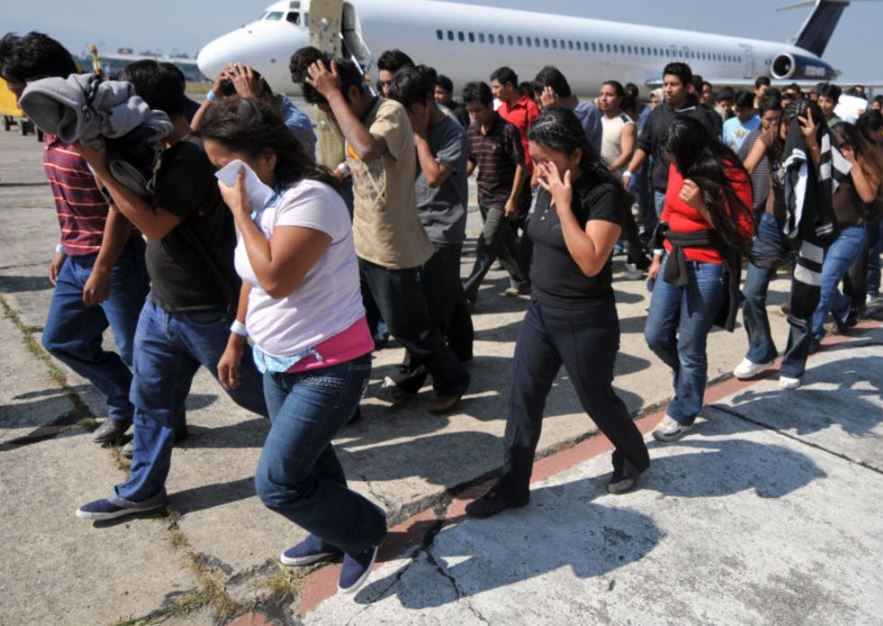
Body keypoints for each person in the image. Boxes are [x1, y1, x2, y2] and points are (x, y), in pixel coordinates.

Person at [198, 97, 386, 594]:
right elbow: (251, 276)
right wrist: (237, 337)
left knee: (278, 483)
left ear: (267, 157)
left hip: (329, 364)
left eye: (229, 165)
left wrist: (239, 212)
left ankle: (364, 532)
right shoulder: (266, 199)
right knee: (311, 458)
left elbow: (275, 278)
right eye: (215, 167)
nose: (224, 179)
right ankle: (331, 531)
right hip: (275, 359)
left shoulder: (312, 199)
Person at [75, 60, 268, 520]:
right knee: (151, 401)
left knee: (258, 395)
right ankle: (144, 489)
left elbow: (155, 224)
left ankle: (313, 425)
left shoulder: (191, 156)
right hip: (160, 305)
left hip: (206, 310)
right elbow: (127, 209)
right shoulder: (153, 147)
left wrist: (99, 167)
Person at [465, 108, 650, 519]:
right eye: (534, 157)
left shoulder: (603, 193)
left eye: (547, 158)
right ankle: (513, 486)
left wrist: (564, 205)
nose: (538, 166)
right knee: (522, 398)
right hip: (541, 312)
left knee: (596, 400)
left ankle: (634, 453)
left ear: (576, 155)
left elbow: (591, 262)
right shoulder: (544, 182)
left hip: (584, 319)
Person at [296, 52, 471, 413]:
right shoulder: (362, 116)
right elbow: (357, 156)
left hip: (391, 243)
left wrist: (332, 95)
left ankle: (452, 379)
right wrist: (337, 173)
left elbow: (368, 148)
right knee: (356, 321)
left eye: (335, 105)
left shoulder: (389, 112)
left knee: (407, 325)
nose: (333, 116)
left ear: (353, 95)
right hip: (361, 238)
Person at [0, 31, 150, 445]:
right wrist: (62, 247)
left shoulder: (91, 126)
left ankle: (162, 423)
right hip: (77, 253)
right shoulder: (54, 121)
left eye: (18, 89)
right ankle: (123, 402)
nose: (16, 100)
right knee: (62, 339)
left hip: (116, 257)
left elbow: (120, 203)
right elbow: (68, 195)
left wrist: (102, 267)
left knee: (137, 351)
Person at [644, 116, 753, 442]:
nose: (671, 163)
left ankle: (684, 410)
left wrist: (703, 206)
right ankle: (688, 380)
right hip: (674, 258)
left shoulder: (728, 172)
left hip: (708, 264)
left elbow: (742, 232)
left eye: (675, 157)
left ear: (693, 152)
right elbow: (669, 212)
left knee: (691, 345)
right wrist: (658, 254)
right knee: (655, 334)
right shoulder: (680, 165)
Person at [387, 65, 474, 392]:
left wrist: (421, 136)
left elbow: (435, 177)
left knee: (429, 312)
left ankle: (416, 379)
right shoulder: (406, 125)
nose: (406, 120)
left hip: (442, 229)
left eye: (410, 112)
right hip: (414, 223)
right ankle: (463, 352)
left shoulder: (453, 133)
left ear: (426, 103)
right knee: (448, 298)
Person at [622, 62, 722, 234]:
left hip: (690, 190)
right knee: (663, 233)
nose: (667, 89)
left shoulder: (701, 117)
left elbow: (711, 154)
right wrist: (629, 171)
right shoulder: (658, 113)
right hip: (661, 188)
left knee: (687, 234)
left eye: (673, 84)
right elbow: (645, 145)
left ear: (688, 87)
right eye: (665, 84)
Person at [809, 122, 881, 348]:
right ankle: (843, 306)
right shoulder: (824, 163)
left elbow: (868, 196)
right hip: (823, 233)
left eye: (843, 146)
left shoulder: (866, 164)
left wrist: (853, 165)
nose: (838, 151)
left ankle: (812, 335)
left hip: (850, 233)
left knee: (825, 281)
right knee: (819, 284)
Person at [461, 81, 531, 303]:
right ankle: (522, 280)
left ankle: (467, 293)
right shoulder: (472, 130)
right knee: (505, 243)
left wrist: (513, 198)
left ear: (490, 105)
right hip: (483, 194)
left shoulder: (507, 130)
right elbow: (472, 160)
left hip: (503, 198)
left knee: (487, 243)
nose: (474, 115)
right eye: (470, 111)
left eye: (478, 110)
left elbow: (521, 165)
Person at [192, 64, 316, 156]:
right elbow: (193, 134)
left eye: (238, 109)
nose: (233, 116)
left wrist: (251, 101)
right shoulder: (245, 116)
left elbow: (272, 143)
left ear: (265, 100)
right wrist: (214, 94)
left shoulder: (297, 123)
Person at [738, 92, 783, 224]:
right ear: (760, 117)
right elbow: (742, 165)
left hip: (775, 205)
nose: (774, 123)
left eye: (777, 118)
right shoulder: (752, 137)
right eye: (769, 119)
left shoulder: (784, 139)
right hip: (754, 203)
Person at [534, 65, 602, 152]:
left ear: (553, 95)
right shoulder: (546, 111)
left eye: (540, 102)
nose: (540, 107)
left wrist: (554, 112)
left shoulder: (587, 112)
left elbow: (572, 146)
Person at [491, 66, 540, 172]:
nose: (493, 92)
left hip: (526, 171)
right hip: (505, 170)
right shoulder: (500, 109)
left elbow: (538, 142)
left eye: (496, 87)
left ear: (509, 86)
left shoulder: (530, 108)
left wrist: (536, 171)